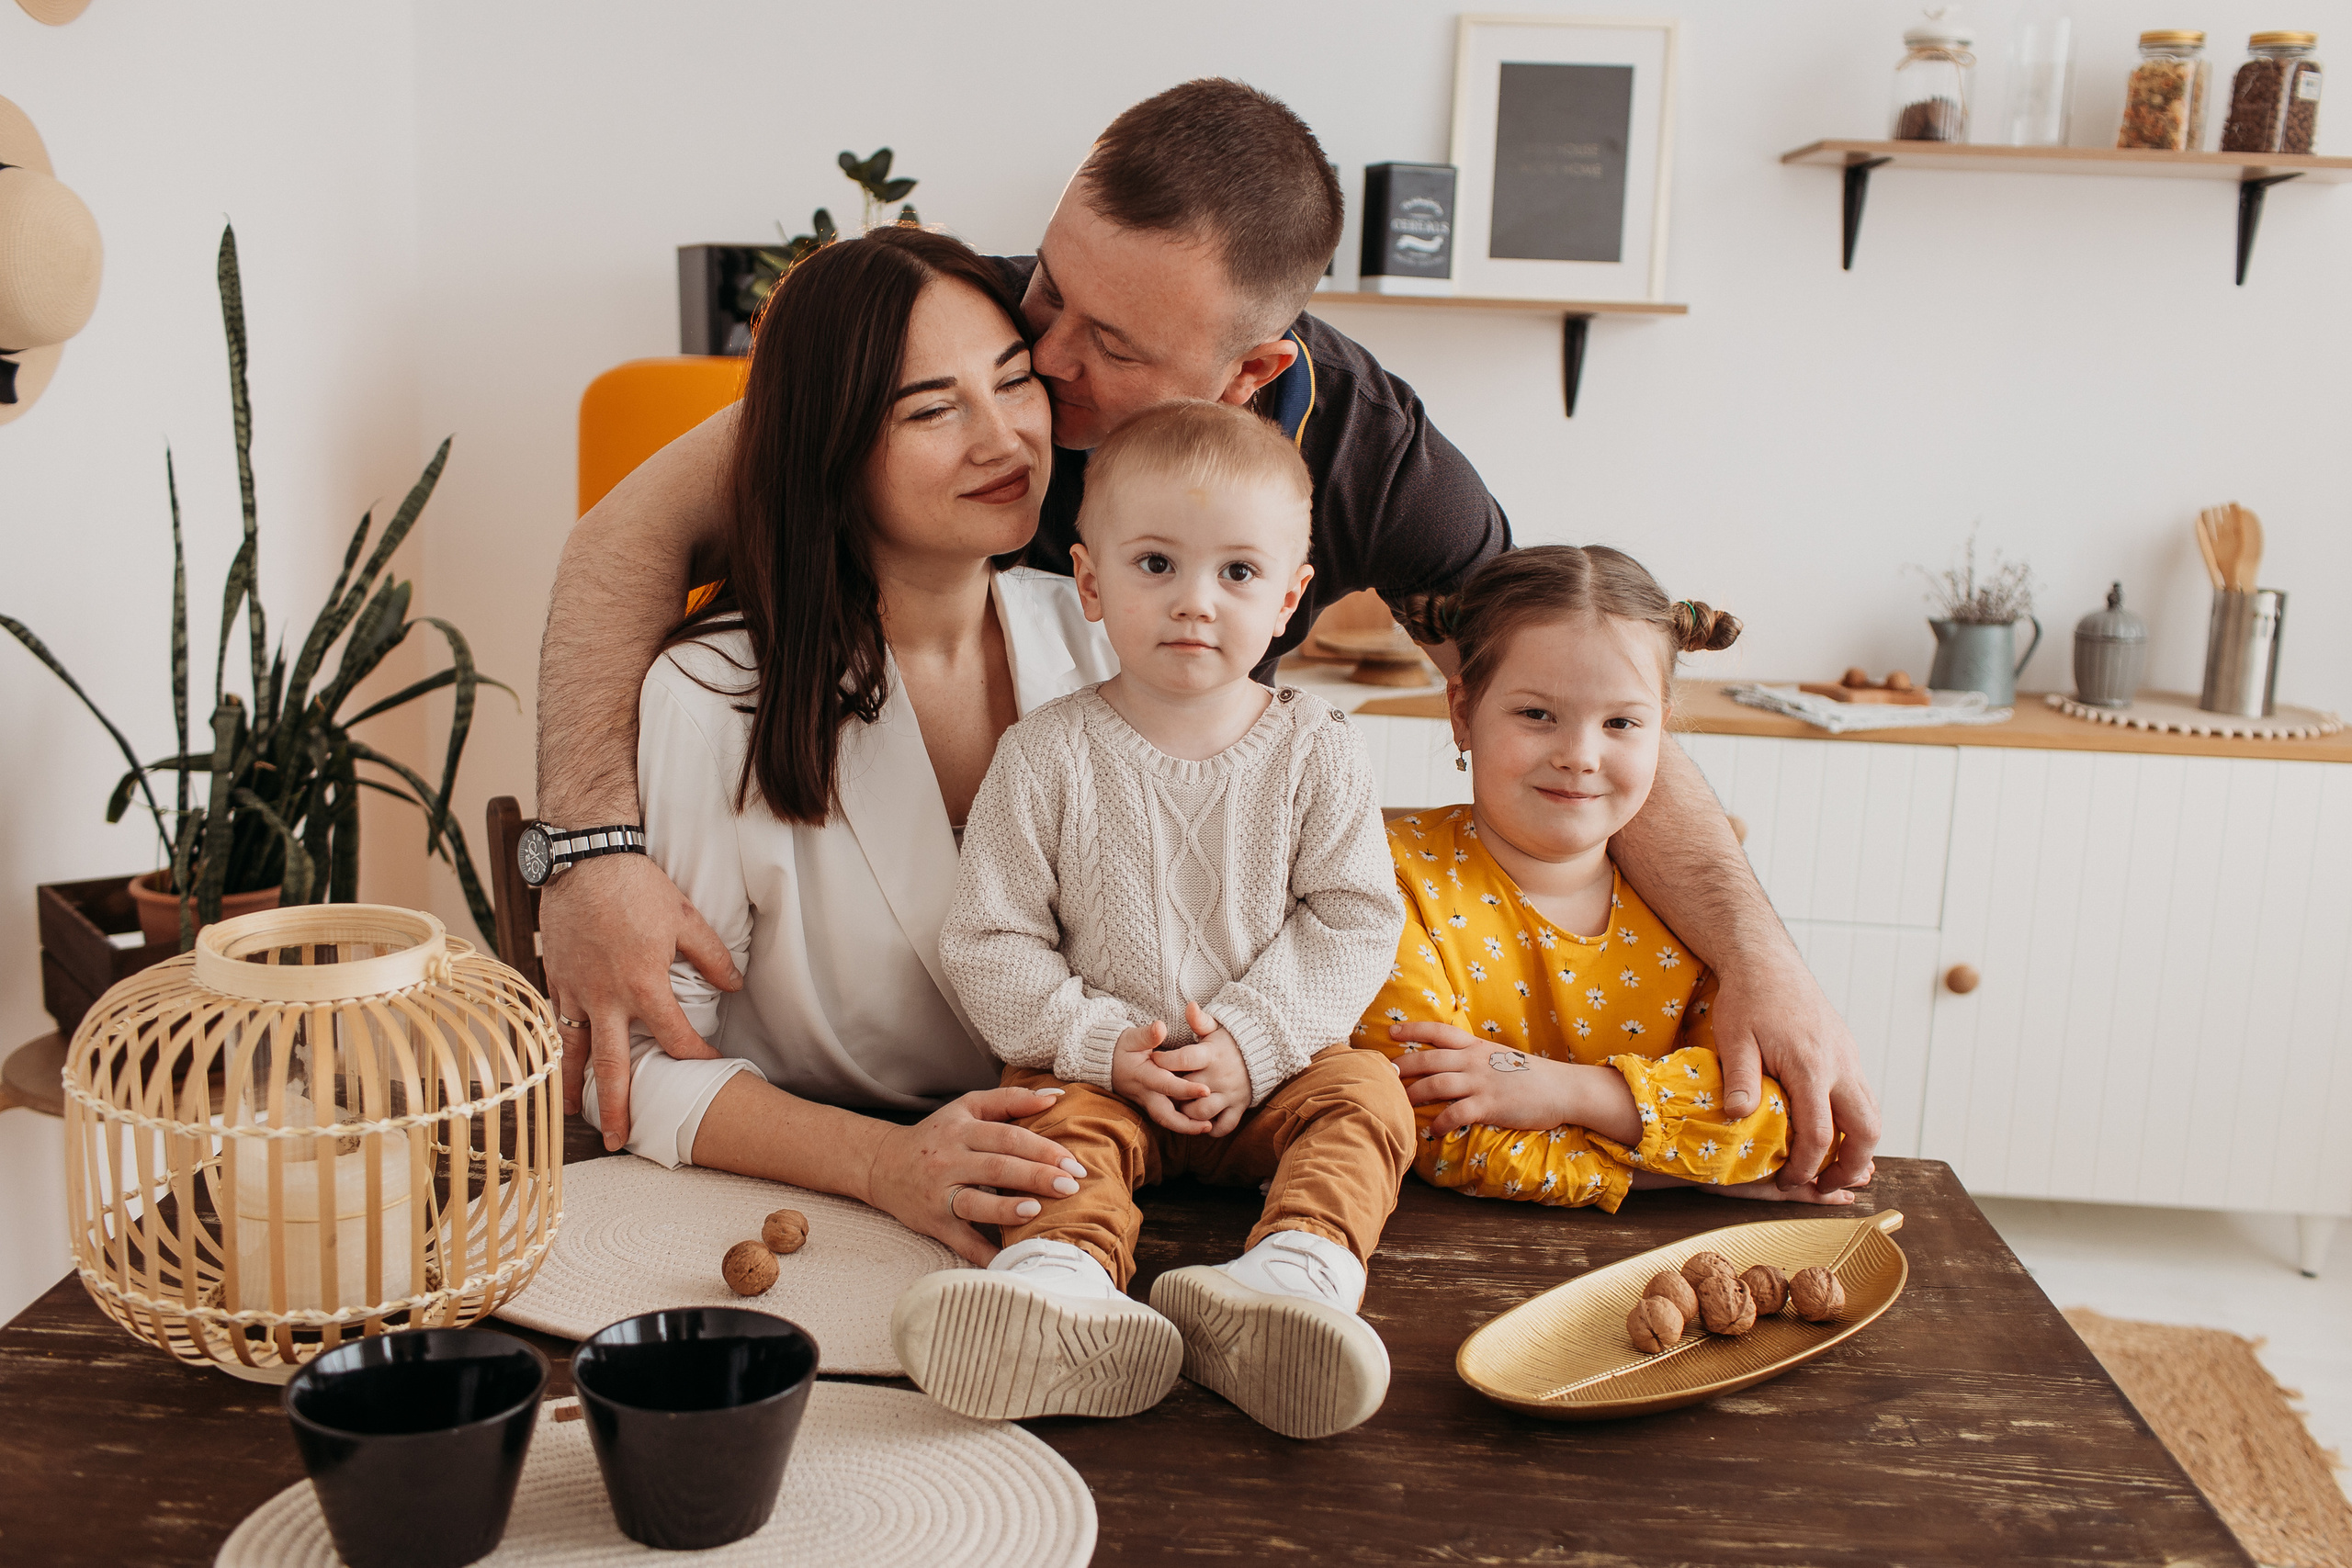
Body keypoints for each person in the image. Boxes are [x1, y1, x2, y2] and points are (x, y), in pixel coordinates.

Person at [537, 76, 1880, 1199]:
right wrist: (588, 853)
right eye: (1044, 293)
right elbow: (623, 541)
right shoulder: (959, 329)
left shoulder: (1332, 494)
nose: (1038, 374)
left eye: (1094, 346)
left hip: (1148, 1085)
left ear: (1246, 378)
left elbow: (1570, 683)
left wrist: (1764, 954)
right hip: (921, 1122)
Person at [572, 225, 1126, 1265]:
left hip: (1082, 1186)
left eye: (1013, 384)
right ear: (828, 443)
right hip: (820, 1211)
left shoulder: (1106, 638)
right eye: (931, 410)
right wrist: (885, 1164)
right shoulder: (713, 692)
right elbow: (647, 1062)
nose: (1004, 440)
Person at [900, 401, 1410, 1440]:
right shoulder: (1043, 755)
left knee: (1368, 1094)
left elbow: (1354, 920)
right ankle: (1057, 1289)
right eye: (1154, 566)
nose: (1194, 603)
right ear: (1090, 583)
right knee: (1042, 1123)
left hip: (1274, 1079)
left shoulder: (1316, 750)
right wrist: (1100, 1044)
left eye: (1236, 573)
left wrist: (1253, 1044)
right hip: (1104, 1075)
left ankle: (1293, 1282)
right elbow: (988, 941)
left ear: (1289, 599)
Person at [1363, 546, 1861, 1208]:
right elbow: (1439, 1134)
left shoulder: (1686, 907)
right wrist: (1697, 1164)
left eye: (1621, 722)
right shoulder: (1389, 881)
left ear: (1663, 729)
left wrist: (1567, 1091)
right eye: (1537, 714)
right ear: (1463, 712)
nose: (1579, 756)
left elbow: (1790, 1121)